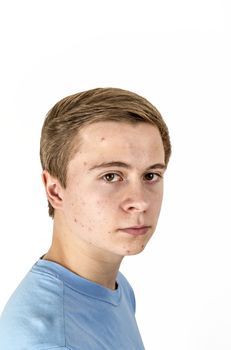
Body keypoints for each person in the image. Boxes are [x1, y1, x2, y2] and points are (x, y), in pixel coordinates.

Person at [0, 87, 171, 349]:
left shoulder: (113, 287)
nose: (140, 201)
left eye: (151, 175)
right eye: (111, 176)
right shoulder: (49, 340)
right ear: (55, 190)